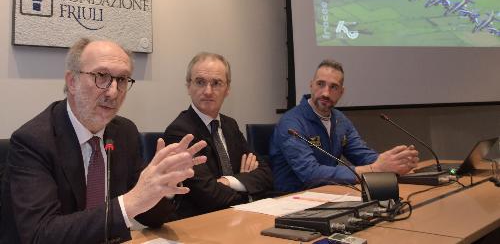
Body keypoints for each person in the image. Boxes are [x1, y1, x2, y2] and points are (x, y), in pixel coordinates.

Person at [0, 38, 207, 244]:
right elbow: (41, 235)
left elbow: (151, 217)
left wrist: (162, 188)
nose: (113, 92)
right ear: (72, 82)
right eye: (102, 76)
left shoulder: (125, 132)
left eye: (123, 79)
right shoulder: (33, 141)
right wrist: (129, 203)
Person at [269, 59, 419, 192]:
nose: (326, 93)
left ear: (341, 92)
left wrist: (393, 163)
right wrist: (375, 169)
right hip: (292, 199)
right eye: (320, 84)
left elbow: (361, 154)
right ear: (311, 85)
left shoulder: (340, 120)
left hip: (330, 193)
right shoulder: (292, 124)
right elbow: (310, 174)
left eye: (333, 87)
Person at [163, 52, 273, 219]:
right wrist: (246, 186)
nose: (208, 91)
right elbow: (208, 196)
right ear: (188, 87)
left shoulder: (230, 125)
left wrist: (228, 181)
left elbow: (266, 175)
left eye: (216, 83)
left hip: (237, 219)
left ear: (227, 89)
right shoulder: (179, 132)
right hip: (201, 223)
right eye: (200, 82)